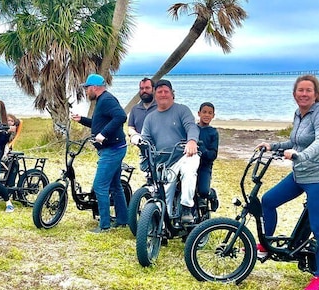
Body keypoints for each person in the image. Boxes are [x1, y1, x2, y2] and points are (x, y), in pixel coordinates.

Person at [256, 74, 319, 290]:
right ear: (294, 94)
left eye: (308, 90)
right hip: (299, 175)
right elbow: (295, 142)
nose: (303, 94)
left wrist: (299, 156)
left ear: (315, 93)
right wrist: (272, 145)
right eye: (300, 90)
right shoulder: (299, 113)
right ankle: (266, 245)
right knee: (268, 200)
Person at [132, 79, 200, 224]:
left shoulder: (182, 110)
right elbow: (146, 139)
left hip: (184, 155)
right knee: (164, 197)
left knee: (189, 170)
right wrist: (137, 140)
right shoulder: (150, 118)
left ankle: (187, 208)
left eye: (166, 91)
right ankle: (162, 227)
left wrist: (192, 141)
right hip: (164, 162)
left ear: (172, 94)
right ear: (155, 95)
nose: (163, 94)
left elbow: (191, 127)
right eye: (159, 92)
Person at [72, 73, 129, 233]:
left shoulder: (107, 99)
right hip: (115, 147)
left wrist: (103, 134)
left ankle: (104, 225)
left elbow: (121, 116)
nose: (86, 91)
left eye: (87, 88)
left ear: (94, 87)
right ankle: (122, 220)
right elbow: (99, 123)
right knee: (115, 186)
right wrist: (81, 119)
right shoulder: (102, 101)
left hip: (112, 150)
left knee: (100, 186)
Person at [196, 102, 219, 199]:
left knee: (203, 192)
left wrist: (203, 151)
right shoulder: (192, 128)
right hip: (189, 164)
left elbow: (213, 154)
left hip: (204, 166)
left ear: (213, 116)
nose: (206, 115)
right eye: (204, 112)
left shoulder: (213, 132)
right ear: (199, 113)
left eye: (210, 113)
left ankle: (211, 194)